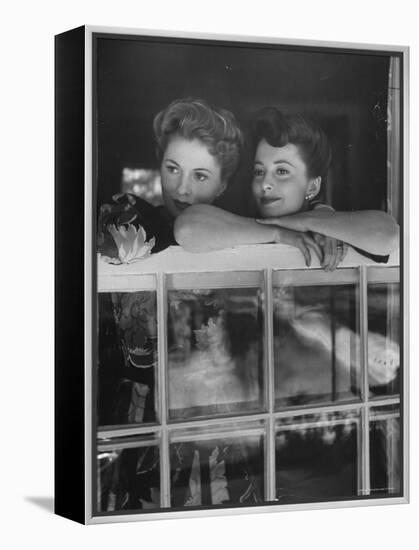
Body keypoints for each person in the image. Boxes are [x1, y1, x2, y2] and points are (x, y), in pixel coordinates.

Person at [174, 106, 399, 270]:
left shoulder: (332, 230)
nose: (265, 184)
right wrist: (278, 232)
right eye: (259, 172)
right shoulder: (241, 221)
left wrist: (312, 221)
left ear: (312, 186)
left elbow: (388, 235)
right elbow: (187, 228)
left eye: (281, 171)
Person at [97, 97, 244, 263]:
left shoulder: (241, 237)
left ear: (222, 186)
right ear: (160, 164)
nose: (182, 189)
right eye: (173, 169)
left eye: (200, 176)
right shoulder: (134, 216)